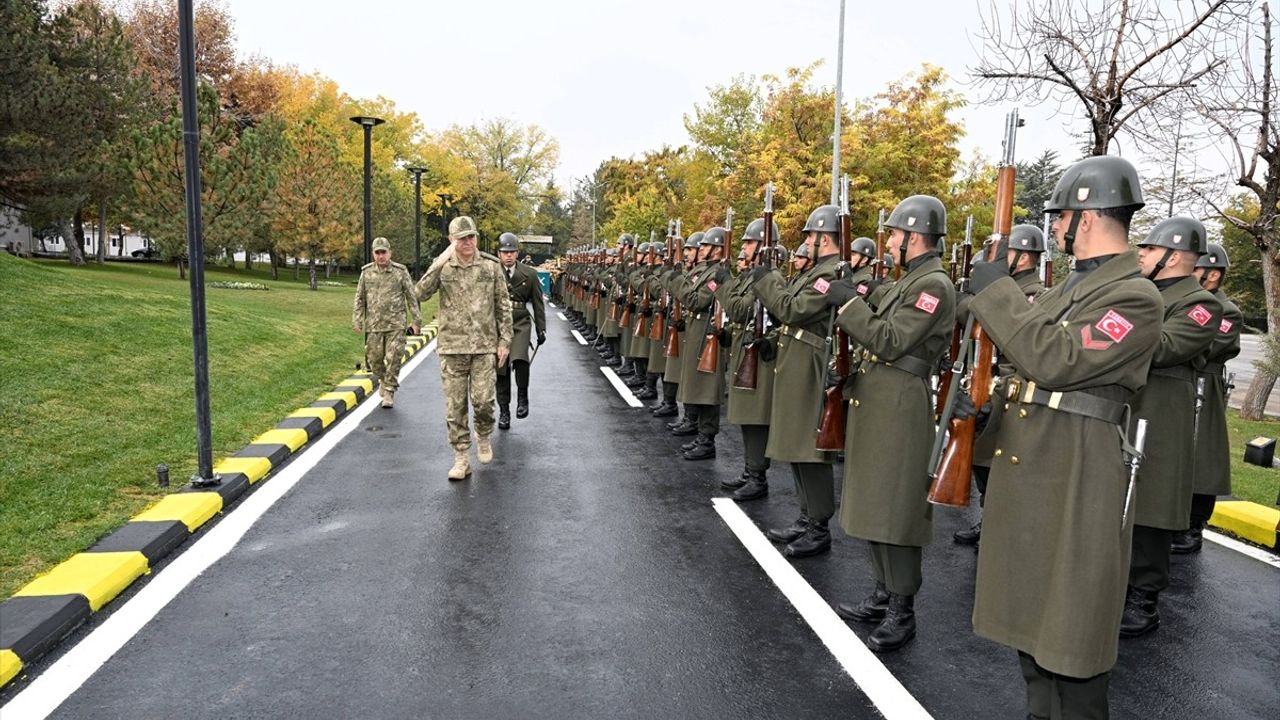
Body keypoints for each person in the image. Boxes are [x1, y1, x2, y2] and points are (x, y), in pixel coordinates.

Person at [963, 155, 1163, 719]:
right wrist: (981, 411)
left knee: (1072, 641)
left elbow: (1057, 359)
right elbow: (1022, 369)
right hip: (1036, 464)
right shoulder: (1068, 290)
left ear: (1089, 217)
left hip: (1080, 474)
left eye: (1060, 218)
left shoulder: (1135, 298)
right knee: (1033, 628)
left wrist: (999, 293)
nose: (1054, 229)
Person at [824, 195, 956, 653]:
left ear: (914, 237)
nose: (889, 242)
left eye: (895, 234)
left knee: (897, 505)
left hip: (900, 400)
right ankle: (883, 591)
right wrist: (856, 294)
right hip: (879, 397)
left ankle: (903, 608)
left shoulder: (933, 285)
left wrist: (850, 308)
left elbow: (892, 338)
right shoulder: (910, 280)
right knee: (878, 501)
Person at [1122, 216, 1222, 638]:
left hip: (1162, 411)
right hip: (1127, 405)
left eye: (1148, 248)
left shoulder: (1202, 304)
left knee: (1152, 507)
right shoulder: (1140, 291)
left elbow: (1164, 347)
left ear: (1175, 255)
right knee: (1117, 505)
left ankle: (1144, 599)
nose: (1140, 254)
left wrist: (1115, 329)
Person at [746, 205, 844, 558]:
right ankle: (806, 516)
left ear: (824, 238)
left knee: (809, 448)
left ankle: (818, 525)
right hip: (795, 358)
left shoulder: (830, 274)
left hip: (810, 364)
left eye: (810, 236)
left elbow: (791, 309)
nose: (805, 242)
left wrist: (766, 277)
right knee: (796, 446)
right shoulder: (816, 271)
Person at [953, 225, 1048, 546]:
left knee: (1001, 464)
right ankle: (988, 518)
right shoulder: (999, 290)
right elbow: (965, 315)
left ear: (1022, 258)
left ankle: (1000, 525)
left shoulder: (1036, 294)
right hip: (985, 378)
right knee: (981, 459)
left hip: (1010, 386)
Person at [415, 216, 513, 481]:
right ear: (451, 241)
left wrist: (504, 342)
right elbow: (420, 293)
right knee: (455, 407)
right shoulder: (443, 268)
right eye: (462, 238)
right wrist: (440, 261)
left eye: (471, 237)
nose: (468, 242)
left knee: (483, 401)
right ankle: (461, 458)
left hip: (483, 347)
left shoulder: (491, 267)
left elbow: (503, 305)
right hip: (452, 348)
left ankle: (483, 434)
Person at [1173, 243, 1243, 553]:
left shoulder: (1226, 311)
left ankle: (1194, 526)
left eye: (1196, 268)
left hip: (1206, 383)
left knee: (1203, 458)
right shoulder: (1186, 302)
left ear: (1213, 275)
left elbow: (1209, 346)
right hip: (1184, 382)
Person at [718, 219, 781, 499]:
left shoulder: (769, 278)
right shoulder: (753, 277)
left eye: (749, 242)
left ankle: (758, 476)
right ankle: (749, 470)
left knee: (755, 418)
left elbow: (739, 310)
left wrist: (723, 284)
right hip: (747, 350)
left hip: (760, 357)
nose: (743, 248)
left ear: (763, 247)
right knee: (747, 416)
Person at [675, 226, 729, 460]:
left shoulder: (717, 275)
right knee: (698, 386)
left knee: (708, 389)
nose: (700, 249)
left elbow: (697, 301)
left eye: (706, 246)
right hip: (697, 331)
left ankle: (707, 440)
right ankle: (700, 434)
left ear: (717, 249)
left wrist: (676, 279)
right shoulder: (705, 271)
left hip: (708, 335)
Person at [353, 236, 421, 409]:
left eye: (384, 252)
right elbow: (360, 298)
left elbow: (411, 297)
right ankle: (383, 379)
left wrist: (416, 320)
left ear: (390, 253)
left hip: (396, 324)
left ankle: (389, 391)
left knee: (393, 359)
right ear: (373, 254)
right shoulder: (366, 272)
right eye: (377, 253)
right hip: (374, 325)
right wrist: (357, 319)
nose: (381, 256)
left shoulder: (400, 271)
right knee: (374, 360)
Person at [495, 232, 546, 429]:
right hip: (498, 323)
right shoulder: (492, 272)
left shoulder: (530, 273)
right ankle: (504, 410)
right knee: (501, 368)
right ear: (499, 254)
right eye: (505, 252)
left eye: (512, 252)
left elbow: (538, 303)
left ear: (517, 253)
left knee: (520, 359)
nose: (508, 256)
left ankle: (523, 397)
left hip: (520, 322)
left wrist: (542, 329)